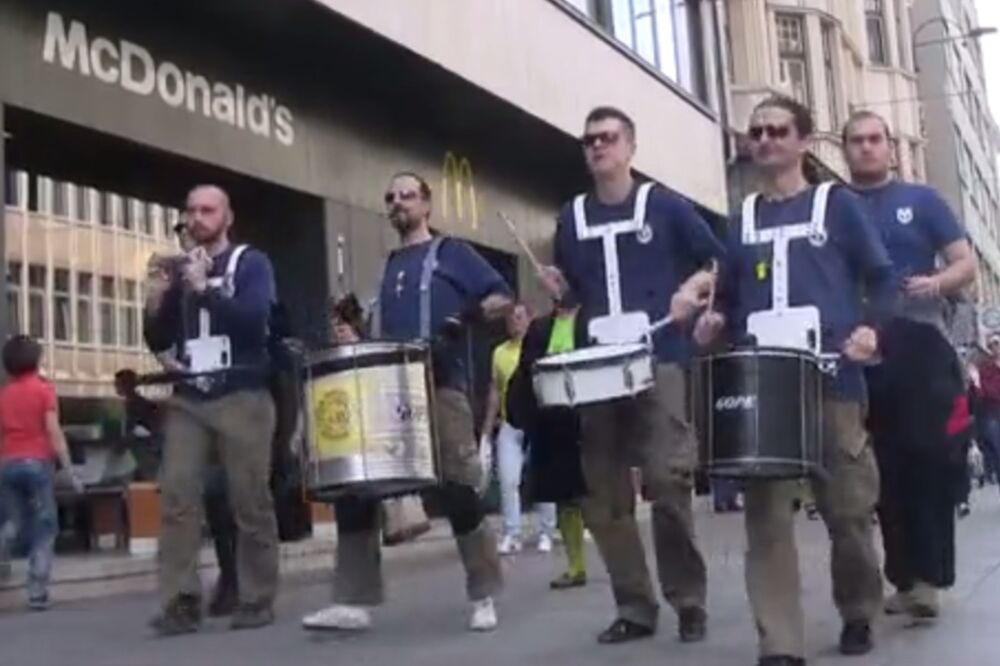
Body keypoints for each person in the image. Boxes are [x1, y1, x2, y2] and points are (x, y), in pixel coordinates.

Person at [693, 97, 894, 665]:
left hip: (833, 378)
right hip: (763, 386)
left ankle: (858, 609)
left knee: (849, 513)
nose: (764, 140)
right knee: (765, 521)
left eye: (777, 130)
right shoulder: (742, 218)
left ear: (803, 141)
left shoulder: (840, 206)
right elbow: (728, 297)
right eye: (755, 132)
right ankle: (779, 643)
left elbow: (882, 278)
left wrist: (871, 331)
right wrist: (714, 320)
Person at [537, 106, 723, 645]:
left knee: (668, 480)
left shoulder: (664, 206)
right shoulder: (570, 218)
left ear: (630, 147)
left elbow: (717, 261)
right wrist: (561, 291)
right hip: (597, 368)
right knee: (602, 492)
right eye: (589, 140)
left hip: (658, 355)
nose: (598, 147)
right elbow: (574, 292)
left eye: (608, 138)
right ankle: (635, 606)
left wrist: (693, 290)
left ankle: (688, 599)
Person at [301, 171, 511, 634]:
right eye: (391, 197)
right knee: (357, 489)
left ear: (427, 204)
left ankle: (483, 595)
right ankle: (353, 602)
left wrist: (465, 318)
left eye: (407, 195)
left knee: (458, 488)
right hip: (388, 388)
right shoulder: (392, 265)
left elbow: (501, 297)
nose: (398, 203)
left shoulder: (453, 253)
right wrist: (355, 335)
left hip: (441, 385)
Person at [843, 110, 978, 622]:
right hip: (862, 346)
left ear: (892, 149)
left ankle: (929, 579)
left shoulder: (921, 201)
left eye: (875, 140)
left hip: (920, 343)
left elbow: (963, 260)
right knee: (880, 471)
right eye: (856, 141)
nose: (866, 148)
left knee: (926, 462)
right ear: (845, 149)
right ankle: (901, 579)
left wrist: (938, 283)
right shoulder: (838, 205)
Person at [143, 185, 280, 635]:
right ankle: (180, 599)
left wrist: (206, 291)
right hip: (191, 395)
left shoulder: (250, 263)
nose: (197, 218)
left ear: (227, 217)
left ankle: (256, 595)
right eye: (191, 211)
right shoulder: (180, 268)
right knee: (178, 493)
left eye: (207, 210)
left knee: (248, 497)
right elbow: (160, 339)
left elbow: (254, 322)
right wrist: (158, 299)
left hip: (241, 390)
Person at [506, 294, 589, 589]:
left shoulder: (592, 321)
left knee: (596, 494)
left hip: (589, 418)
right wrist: (522, 415)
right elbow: (525, 373)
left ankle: (614, 559)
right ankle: (576, 565)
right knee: (565, 496)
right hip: (553, 423)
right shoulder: (540, 328)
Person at [0, 335, 83, 609]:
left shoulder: (4, 394)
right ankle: (37, 590)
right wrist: (69, 469)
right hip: (37, 462)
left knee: (14, 523)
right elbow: (53, 430)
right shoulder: (43, 390)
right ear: (37, 360)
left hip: (8, 463)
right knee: (45, 525)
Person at [481, 303, 557, 555]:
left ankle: (546, 531)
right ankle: (512, 533)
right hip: (510, 424)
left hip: (538, 420)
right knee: (508, 480)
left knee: (544, 479)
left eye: (519, 317)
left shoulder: (538, 347)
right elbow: (494, 389)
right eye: (510, 319)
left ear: (529, 319)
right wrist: (486, 431)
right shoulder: (499, 353)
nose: (514, 322)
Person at [976, 336, 1000, 486]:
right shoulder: (985, 367)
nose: (996, 348)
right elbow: (985, 390)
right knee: (995, 443)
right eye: (993, 346)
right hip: (991, 410)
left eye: (998, 345)